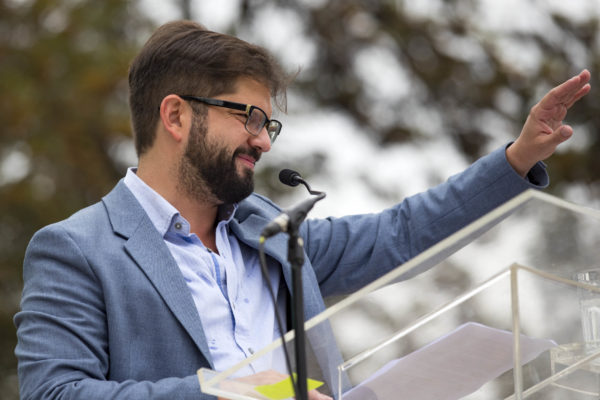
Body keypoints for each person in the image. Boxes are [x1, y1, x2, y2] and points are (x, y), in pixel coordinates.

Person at [14, 20, 590, 400]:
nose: (264, 142)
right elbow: (54, 394)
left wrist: (515, 161)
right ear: (176, 116)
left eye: (269, 124)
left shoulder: (273, 235)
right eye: (250, 118)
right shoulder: (76, 248)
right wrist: (236, 391)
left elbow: (402, 233)